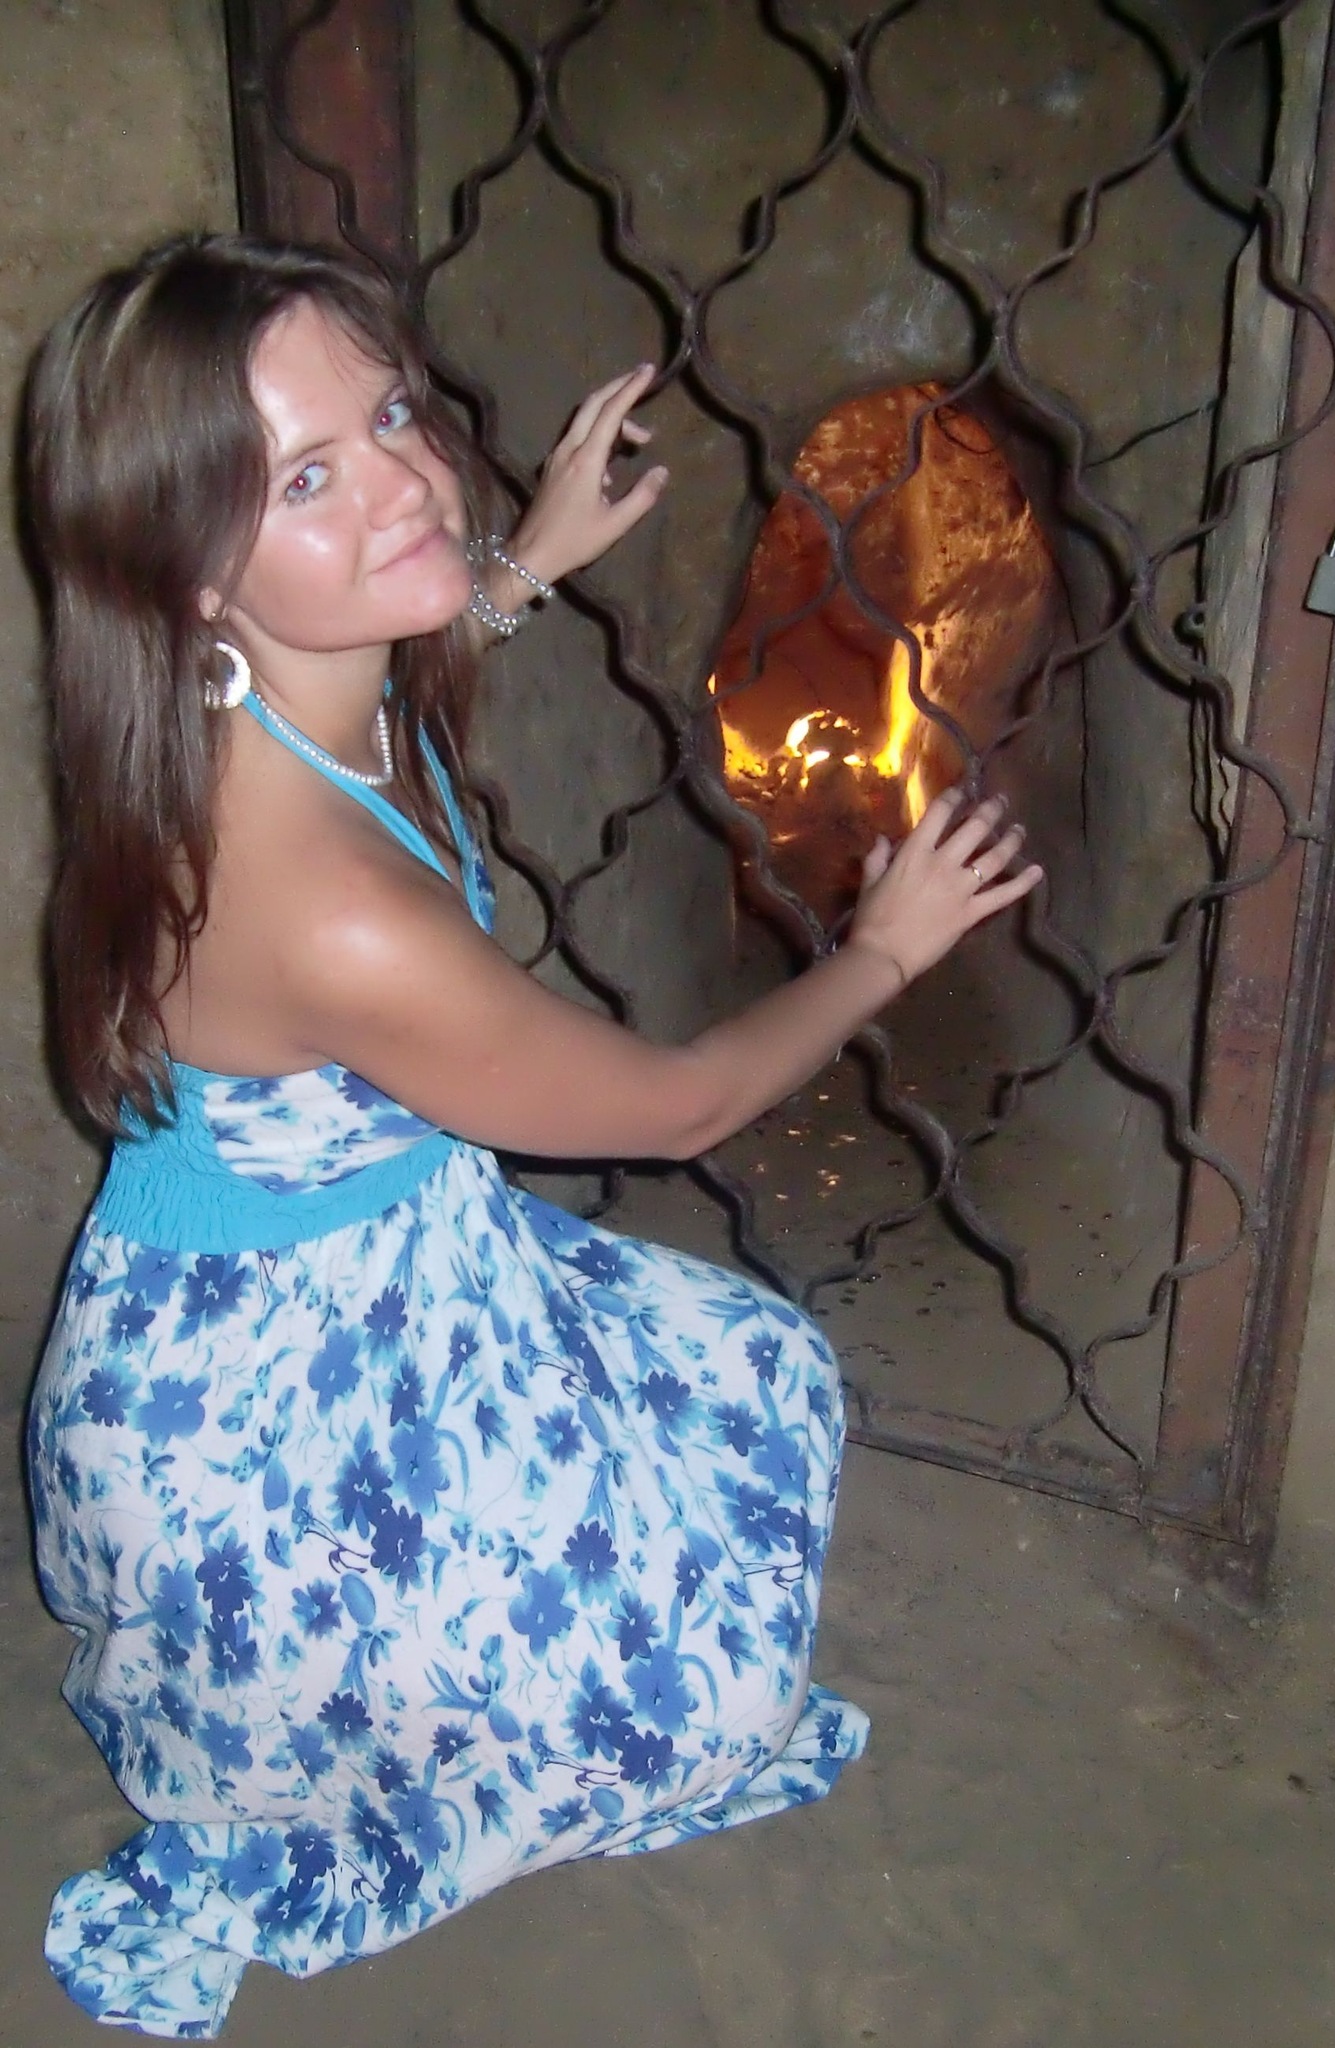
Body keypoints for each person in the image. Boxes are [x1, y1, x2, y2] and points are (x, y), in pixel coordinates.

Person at [23, 233, 1041, 2038]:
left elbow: (409, 681)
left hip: (342, 1285)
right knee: (702, 1659)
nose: (404, 481)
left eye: (389, 415)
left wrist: (518, 569)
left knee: (723, 1379)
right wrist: (883, 951)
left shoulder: (252, 697)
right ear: (189, 572)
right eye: (304, 480)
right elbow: (683, 1103)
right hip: (262, 1426)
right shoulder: (329, 913)